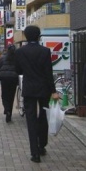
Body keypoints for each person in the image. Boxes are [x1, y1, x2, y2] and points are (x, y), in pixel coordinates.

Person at [14, 25, 60, 163]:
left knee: (31, 119)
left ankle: (35, 153)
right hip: (43, 89)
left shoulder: (20, 52)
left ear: (26, 36)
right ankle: (42, 145)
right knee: (43, 116)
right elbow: (48, 73)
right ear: (39, 36)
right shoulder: (45, 51)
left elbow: (18, 70)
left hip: (29, 88)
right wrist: (53, 91)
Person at [0, 45, 18, 123]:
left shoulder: (2, 58)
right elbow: (20, 69)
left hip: (4, 79)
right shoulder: (17, 58)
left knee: (4, 95)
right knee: (11, 97)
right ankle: (9, 115)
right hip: (13, 79)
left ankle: (6, 109)